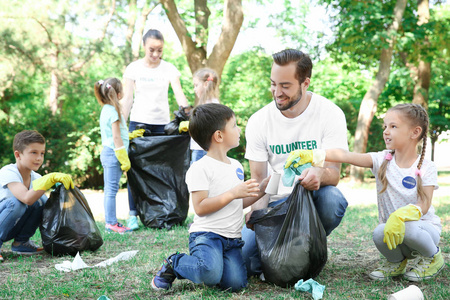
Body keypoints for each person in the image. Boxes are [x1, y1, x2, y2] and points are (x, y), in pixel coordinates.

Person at [290, 103, 444, 281]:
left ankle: (433, 257)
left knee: (407, 227)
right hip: (394, 233)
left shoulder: (426, 166)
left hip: (423, 231)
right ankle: (396, 262)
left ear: (415, 132)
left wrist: (401, 216)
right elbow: (346, 156)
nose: (386, 131)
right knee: (379, 232)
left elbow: (424, 205)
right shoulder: (381, 160)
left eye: (393, 126)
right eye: (385, 126)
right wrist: (314, 155)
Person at [242, 49, 349, 277]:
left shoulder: (330, 114)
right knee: (245, 261)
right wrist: (258, 217)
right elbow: (259, 180)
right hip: (274, 204)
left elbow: (334, 173)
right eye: (273, 84)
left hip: (309, 201)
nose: (277, 92)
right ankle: (289, 251)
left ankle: (306, 249)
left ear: (305, 83)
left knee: (333, 200)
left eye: (285, 86)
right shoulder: (259, 121)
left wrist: (319, 174)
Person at [151, 103, 270, 291]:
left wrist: (261, 190)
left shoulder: (236, 166)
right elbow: (200, 207)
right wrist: (233, 193)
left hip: (232, 240)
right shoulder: (200, 168)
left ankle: (213, 268)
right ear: (219, 136)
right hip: (208, 236)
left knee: (235, 285)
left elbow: (236, 203)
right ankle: (174, 262)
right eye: (234, 125)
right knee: (209, 272)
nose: (238, 130)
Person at [121, 29, 189, 230]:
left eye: (160, 50)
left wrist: (188, 117)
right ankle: (133, 215)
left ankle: (162, 212)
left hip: (162, 126)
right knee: (133, 170)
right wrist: (121, 129)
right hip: (138, 124)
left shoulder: (169, 69)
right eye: (152, 50)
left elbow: (179, 95)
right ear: (144, 46)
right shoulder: (133, 69)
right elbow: (127, 99)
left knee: (162, 170)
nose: (156, 54)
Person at [0, 130, 74, 262]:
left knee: (42, 201)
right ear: (18, 154)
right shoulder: (8, 172)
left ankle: (21, 243)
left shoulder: (36, 177)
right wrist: (49, 179)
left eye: (42, 153)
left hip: (10, 228)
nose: (39, 158)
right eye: (34, 152)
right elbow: (27, 198)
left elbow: (38, 203)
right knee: (16, 203)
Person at [94, 78, 132, 234]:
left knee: (111, 189)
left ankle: (112, 222)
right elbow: (116, 137)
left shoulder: (106, 109)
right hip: (113, 154)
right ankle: (110, 223)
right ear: (117, 93)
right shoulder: (113, 111)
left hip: (110, 153)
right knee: (111, 190)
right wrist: (124, 158)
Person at [190, 68, 220, 162]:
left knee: (197, 176)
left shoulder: (205, 107)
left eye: (196, 85)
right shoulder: (216, 104)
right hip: (212, 149)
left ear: (206, 84)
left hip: (201, 149)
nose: (195, 89)